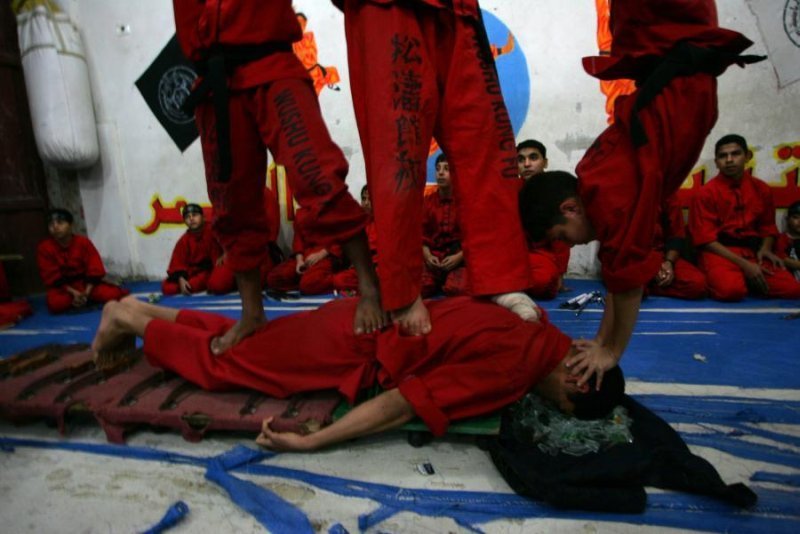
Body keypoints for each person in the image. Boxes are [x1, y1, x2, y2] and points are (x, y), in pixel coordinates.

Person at [515, 0, 762, 387]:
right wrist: (599, 339)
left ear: (569, 208)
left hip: (678, 74)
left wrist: (611, 352)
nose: (569, 243)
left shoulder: (610, 199)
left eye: (562, 236)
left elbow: (627, 283)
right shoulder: (594, 180)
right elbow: (617, 277)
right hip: (672, 66)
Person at [91, 295, 625, 452]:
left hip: (357, 317)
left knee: (248, 342)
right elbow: (402, 403)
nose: (549, 404)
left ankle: (144, 309)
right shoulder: (516, 368)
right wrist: (316, 441)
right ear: (576, 380)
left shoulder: (541, 335)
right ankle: (129, 319)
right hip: (346, 343)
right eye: (561, 403)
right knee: (228, 364)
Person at [173, 0, 384, 354]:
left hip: (272, 64)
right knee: (229, 204)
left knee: (317, 176)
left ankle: (370, 287)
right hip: (214, 82)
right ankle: (252, 314)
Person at [336, 0, 538, 335]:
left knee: (486, 137)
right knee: (398, 155)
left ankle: (500, 278)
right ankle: (402, 293)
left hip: (457, 9)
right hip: (387, 9)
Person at [690, 135, 800, 301]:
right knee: (731, 291)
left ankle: (747, 279)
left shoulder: (761, 189)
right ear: (716, 162)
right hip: (721, 253)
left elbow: (768, 227)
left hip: (755, 253)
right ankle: (742, 278)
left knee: (792, 290)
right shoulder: (705, 193)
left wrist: (766, 249)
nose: (729, 160)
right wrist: (745, 266)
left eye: (735, 154)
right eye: (723, 156)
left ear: (747, 156)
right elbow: (705, 240)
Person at [36, 208, 129, 314]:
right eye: (51, 224)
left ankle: (84, 298)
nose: (55, 227)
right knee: (56, 303)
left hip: (86, 284)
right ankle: (81, 299)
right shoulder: (44, 248)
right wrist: (73, 292)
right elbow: (51, 276)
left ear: (71, 225)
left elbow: (95, 268)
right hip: (64, 288)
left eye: (60, 223)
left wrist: (87, 292)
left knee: (112, 294)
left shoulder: (83, 242)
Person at [517, 140, 571, 299]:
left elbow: (561, 239)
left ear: (545, 162)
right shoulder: (509, 189)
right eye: (520, 160)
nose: (526, 164)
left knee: (542, 282)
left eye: (533, 158)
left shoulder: (556, 190)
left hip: (542, 255)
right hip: (513, 254)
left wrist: (560, 273)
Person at [266, 206, 346, 295]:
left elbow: (342, 237)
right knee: (273, 278)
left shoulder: (334, 208)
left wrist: (321, 254)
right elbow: (298, 239)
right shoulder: (301, 212)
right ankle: (307, 279)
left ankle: (333, 279)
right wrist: (299, 260)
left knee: (307, 285)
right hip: (304, 255)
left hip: (327, 254)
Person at [162, 203, 236, 296]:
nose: (191, 219)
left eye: (195, 215)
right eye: (187, 217)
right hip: (200, 272)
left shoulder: (214, 229)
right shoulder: (184, 240)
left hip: (220, 265)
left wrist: (226, 253)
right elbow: (177, 263)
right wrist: (181, 279)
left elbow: (233, 240)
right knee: (168, 288)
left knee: (217, 285)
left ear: (203, 217)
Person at [421, 154, 468, 297]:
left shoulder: (465, 202)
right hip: (432, 259)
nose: (440, 173)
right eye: (438, 169)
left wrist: (459, 257)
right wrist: (428, 255)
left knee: (457, 288)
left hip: (459, 258)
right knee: (420, 287)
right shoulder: (427, 202)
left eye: (446, 169)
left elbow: (475, 236)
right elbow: (420, 233)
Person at [647, 194, 707, 299]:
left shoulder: (668, 195)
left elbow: (676, 236)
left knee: (697, 285)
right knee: (628, 282)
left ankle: (649, 285)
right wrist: (650, 267)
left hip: (663, 255)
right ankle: (644, 285)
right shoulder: (626, 193)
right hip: (635, 258)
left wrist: (668, 263)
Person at [333, 185, 379, 294]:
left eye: (370, 200)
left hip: (379, 267)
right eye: (364, 199)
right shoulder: (358, 222)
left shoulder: (383, 221)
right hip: (362, 269)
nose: (366, 203)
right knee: (338, 280)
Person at [776, 201, 800, 282]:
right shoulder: (783, 239)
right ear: (788, 219)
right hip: (791, 279)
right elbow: (781, 258)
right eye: (795, 217)